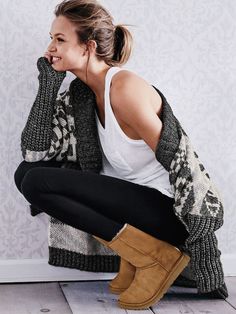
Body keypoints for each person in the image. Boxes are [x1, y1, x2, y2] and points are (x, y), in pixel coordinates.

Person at [14, 0, 228, 310]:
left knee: (36, 182)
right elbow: (34, 154)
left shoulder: (124, 88)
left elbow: (183, 162)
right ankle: (141, 255)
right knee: (26, 175)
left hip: (168, 212)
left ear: (87, 47)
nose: (50, 47)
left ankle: (159, 259)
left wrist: (204, 241)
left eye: (60, 39)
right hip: (136, 207)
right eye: (52, 37)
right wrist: (48, 85)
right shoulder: (82, 95)